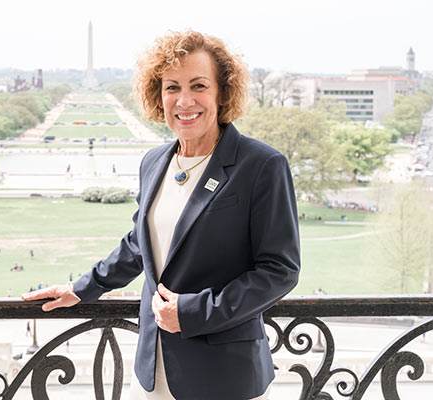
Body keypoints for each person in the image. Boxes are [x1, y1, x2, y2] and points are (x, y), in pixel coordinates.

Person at [23, 30, 300, 400]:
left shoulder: (262, 164)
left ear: (222, 92)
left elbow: (280, 271)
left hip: (225, 374)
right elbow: (141, 245)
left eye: (198, 85)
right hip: (154, 369)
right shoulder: (154, 162)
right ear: (158, 95)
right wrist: (81, 288)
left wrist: (192, 312)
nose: (185, 101)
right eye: (172, 88)